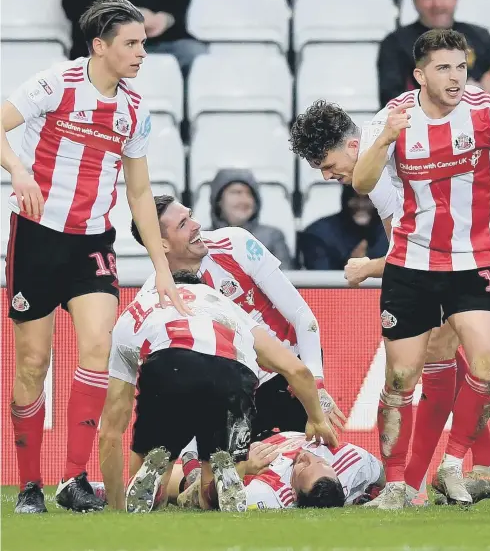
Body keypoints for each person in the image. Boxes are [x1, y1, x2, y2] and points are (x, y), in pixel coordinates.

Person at [293, 28, 490, 508]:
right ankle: (483, 466)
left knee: (442, 353)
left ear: (351, 146)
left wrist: (368, 268)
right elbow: (412, 242)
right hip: (456, 245)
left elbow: (413, 240)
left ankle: (416, 482)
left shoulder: (388, 152)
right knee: (439, 359)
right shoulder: (384, 144)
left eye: (328, 164)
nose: (329, 176)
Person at [1, 0, 188, 514]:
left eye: (144, 44)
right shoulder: (54, 84)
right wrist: (17, 171)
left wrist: (159, 265)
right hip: (37, 237)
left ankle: (73, 478)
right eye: (131, 44)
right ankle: (30, 485)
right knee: (34, 364)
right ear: (100, 46)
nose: (141, 53)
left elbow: (139, 194)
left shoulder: (135, 111)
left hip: (92, 243)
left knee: (97, 349)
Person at [99, 270, 338, 512]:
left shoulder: (137, 309)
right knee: (209, 497)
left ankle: (155, 479)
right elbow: (297, 371)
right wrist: (317, 418)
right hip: (232, 375)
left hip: (168, 366)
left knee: (149, 478)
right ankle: (221, 477)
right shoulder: (226, 306)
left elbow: (111, 428)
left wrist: (115, 501)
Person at [132, 195, 345, 442]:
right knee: (245, 474)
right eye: (182, 224)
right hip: (235, 393)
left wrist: (314, 382)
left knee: (314, 467)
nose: (196, 224)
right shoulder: (156, 300)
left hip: (290, 377)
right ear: (162, 245)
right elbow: (180, 387)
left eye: (190, 215)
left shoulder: (235, 243)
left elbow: (301, 316)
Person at [377, 0, 490, 107]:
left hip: (478, 126)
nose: (437, 4)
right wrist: (464, 93)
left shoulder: (479, 36)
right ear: (415, 2)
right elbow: (391, 101)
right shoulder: (395, 43)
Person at [59, 0, 207, 73]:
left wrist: (165, 19)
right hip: (103, 43)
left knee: (196, 56)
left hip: (160, 40)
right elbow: (74, 3)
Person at [175, 431, 385, 510]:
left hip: (238, 458)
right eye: (321, 463)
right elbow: (384, 476)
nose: (307, 456)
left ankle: (190, 457)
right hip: (272, 430)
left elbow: (212, 499)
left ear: (294, 493)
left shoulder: (271, 494)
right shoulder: (352, 462)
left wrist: (244, 467)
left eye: (303, 467)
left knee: (190, 494)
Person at [209, 169, 292, 269]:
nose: (244, 200)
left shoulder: (272, 237)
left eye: (249, 194)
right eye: (236, 192)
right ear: (218, 200)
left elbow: (285, 278)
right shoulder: (202, 239)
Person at [300, 185, 389, 270]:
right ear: (345, 199)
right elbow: (318, 281)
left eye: (368, 199)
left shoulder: (392, 233)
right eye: (355, 198)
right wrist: (350, 269)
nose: (361, 205)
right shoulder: (318, 234)